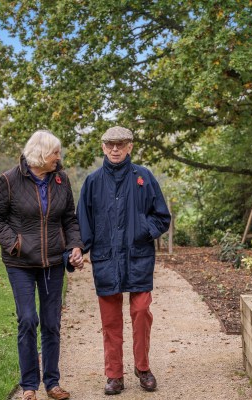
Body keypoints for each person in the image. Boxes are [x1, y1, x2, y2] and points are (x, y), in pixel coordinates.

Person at [0, 129, 84, 400]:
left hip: (53, 262)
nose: (58, 157)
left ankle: (52, 383)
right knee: (28, 320)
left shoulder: (61, 180)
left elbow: (70, 220)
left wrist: (75, 246)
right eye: (55, 152)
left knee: (51, 323)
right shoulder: (9, 180)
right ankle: (29, 385)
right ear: (40, 154)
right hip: (20, 264)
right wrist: (15, 244)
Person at [77, 126, 171, 395]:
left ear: (130, 146)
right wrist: (77, 250)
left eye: (120, 144)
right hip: (106, 258)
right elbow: (83, 222)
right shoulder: (93, 182)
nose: (115, 149)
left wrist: (144, 230)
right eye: (110, 145)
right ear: (103, 148)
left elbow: (161, 216)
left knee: (141, 312)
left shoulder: (144, 177)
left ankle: (143, 368)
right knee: (110, 320)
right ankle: (114, 375)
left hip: (138, 256)